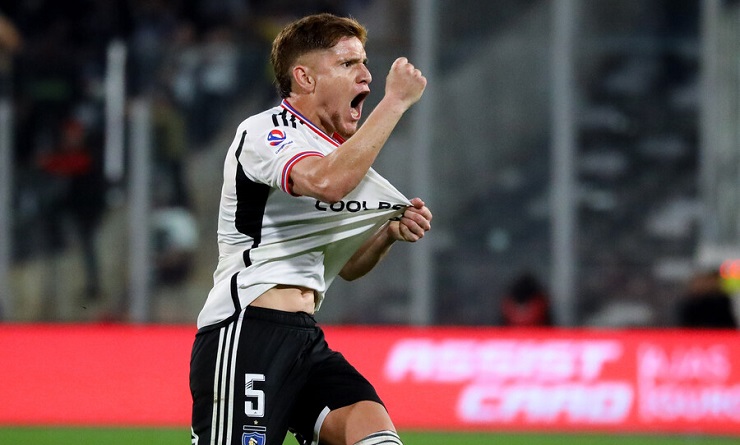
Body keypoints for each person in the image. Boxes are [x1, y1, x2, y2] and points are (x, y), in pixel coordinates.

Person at [189, 13, 432, 445]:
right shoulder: (265, 132)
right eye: (348, 63)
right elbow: (327, 183)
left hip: (304, 338)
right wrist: (394, 102)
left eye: (364, 62)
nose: (366, 75)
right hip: (247, 331)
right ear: (304, 77)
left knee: (373, 432)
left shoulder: (336, 153)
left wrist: (387, 235)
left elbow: (348, 265)